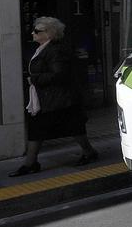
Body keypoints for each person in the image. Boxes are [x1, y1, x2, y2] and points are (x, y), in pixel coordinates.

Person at [9, 17, 98, 176]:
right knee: (48, 128)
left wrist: (34, 79)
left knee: (71, 128)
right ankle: (31, 163)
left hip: (58, 99)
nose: (33, 33)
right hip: (50, 98)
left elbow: (59, 74)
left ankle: (32, 163)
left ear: (48, 33)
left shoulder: (55, 51)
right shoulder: (43, 49)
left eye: (37, 31)